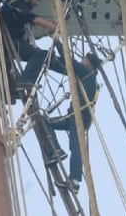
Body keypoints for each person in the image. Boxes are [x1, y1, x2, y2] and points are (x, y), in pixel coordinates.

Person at [48, 52, 101, 194]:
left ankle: (75, 179)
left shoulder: (86, 72)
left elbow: (69, 61)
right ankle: (56, 151)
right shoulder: (91, 77)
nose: (81, 60)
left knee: (75, 146)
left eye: (83, 59)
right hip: (75, 116)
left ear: (88, 62)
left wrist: (58, 42)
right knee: (45, 123)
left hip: (78, 116)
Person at [0, 0, 64, 98]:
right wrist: (53, 27)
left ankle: (13, 91)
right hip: (11, 43)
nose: (37, 3)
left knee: (45, 57)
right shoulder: (17, 5)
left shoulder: (18, 7)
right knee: (41, 54)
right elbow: (33, 18)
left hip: (14, 45)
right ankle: (25, 80)